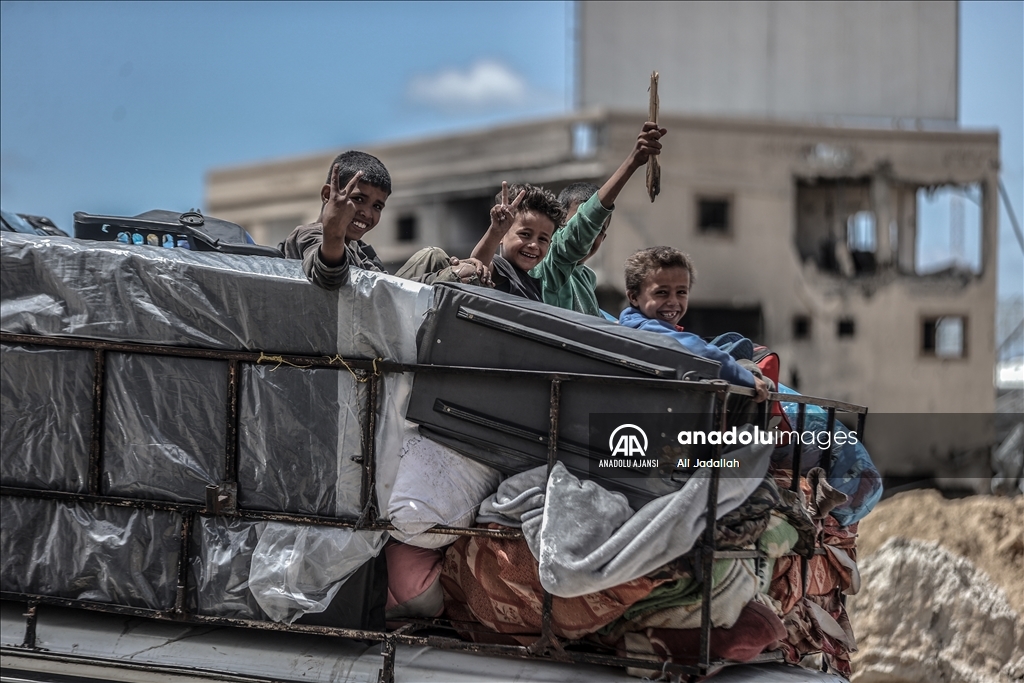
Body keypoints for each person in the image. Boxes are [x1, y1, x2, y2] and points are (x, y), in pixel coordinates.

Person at [282, 151, 488, 290]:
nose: (366, 213)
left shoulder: (358, 248)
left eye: (377, 206)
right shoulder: (309, 234)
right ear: (328, 195)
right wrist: (447, 279)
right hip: (338, 337)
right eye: (358, 199)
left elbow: (386, 285)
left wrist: (450, 272)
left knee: (433, 256)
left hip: (367, 318)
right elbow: (328, 275)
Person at [533, 121, 666, 316]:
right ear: (558, 226)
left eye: (599, 231)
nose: (589, 235)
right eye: (583, 225)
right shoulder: (548, 266)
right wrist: (633, 161)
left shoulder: (586, 278)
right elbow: (582, 228)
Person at [619, 246, 769, 401]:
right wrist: (746, 378)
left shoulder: (633, 322)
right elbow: (697, 350)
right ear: (633, 297)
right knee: (756, 375)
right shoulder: (643, 328)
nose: (673, 301)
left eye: (681, 292)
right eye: (661, 292)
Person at [470, 182, 565, 301]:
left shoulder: (535, 286)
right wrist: (496, 231)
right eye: (525, 234)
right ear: (502, 236)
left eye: (543, 239)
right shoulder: (500, 268)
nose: (534, 245)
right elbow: (478, 264)